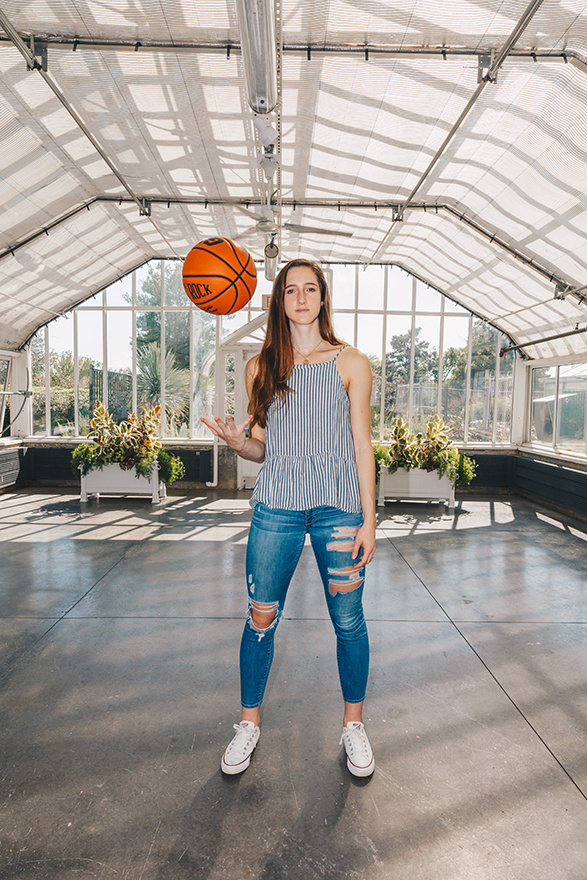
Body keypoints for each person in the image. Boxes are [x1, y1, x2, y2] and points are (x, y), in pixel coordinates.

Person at [201, 258, 376, 777]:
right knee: (260, 619)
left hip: (339, 509)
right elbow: (261, 449)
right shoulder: (262, 368)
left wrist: (370, 521)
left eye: (310, 289)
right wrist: (239, 443)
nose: (301, 297)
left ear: (323, 298)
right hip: (276, 506)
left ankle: (354, 726)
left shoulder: (352, 363)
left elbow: (362, 447)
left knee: (348, 621)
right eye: (290, 290)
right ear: (279, 301)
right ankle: (248, 724)